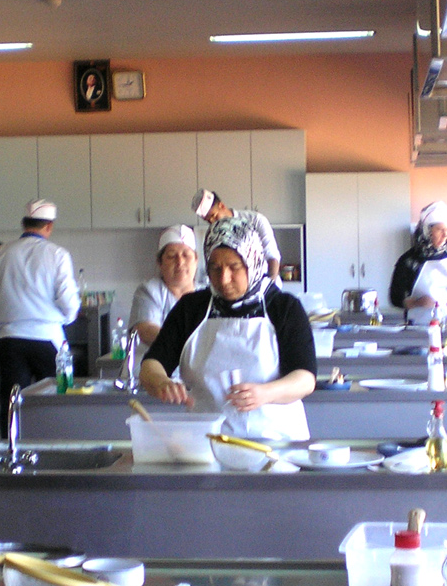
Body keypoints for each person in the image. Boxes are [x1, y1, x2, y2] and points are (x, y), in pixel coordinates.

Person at [140, 216, 315, 441]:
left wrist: (266, 393)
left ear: (252, 262)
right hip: (207, 442)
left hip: (275, 442)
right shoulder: (191, 309)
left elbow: (305, 379)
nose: (224, 279)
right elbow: (151, 365)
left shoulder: (283, 308)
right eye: (215, 268)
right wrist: (161, 382)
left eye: (234, 267)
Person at [0, 199, 80, 435]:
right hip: (47, 339)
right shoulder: (57, 255)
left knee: (12, 404)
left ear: (24, 223)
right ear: (49, 226)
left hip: (9, 340)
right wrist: (63, 318)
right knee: (54, 402)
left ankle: (10, 450)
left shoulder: (0, 253)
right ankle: (54, 446)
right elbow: (70, 304)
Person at [389, 201, 447, 325]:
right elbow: (395, 297)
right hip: (423, 322)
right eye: (440, 229)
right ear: (426, 231)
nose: (445, 235)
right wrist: (416, 303)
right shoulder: (409, 261)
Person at [129, 225, 199, 348]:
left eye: (186, 255)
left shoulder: (209, 294)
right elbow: (146, 329)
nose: (180, 262)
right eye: (171, 256)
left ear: (196, 261)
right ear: (160, 263)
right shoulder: (149, 291)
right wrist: (185, 344)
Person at [192, 188, 282, 281]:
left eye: (214, 216)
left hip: (264, 280)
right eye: (208, 220)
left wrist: (271, 282)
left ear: (222, 206)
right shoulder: (212, 234)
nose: (212, 222)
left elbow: (271, 254)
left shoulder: (255, 220)